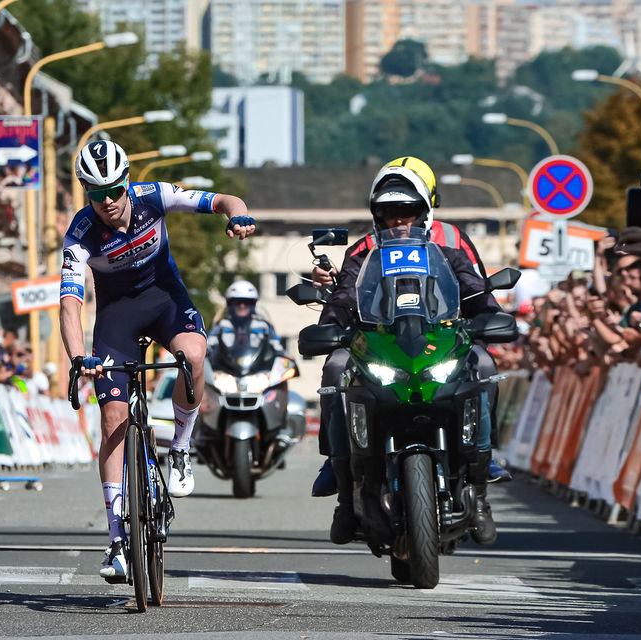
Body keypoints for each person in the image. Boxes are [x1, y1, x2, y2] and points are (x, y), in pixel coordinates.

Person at [59, 140, 255, 583]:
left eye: (113, 189)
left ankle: (182, 448)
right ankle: (114, 541)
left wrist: (238, 214)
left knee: (193, 355)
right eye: (95, 193)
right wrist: (77, 358)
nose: (107, 201)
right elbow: (70, 304)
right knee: (113, 419)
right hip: (116, 318)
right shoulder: (80, 233)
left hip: (165, 299)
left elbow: (223, 199)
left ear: (126, 182)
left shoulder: (154, 196)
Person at [310, 156, 503, 546]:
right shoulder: (363, 248)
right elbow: (346, 296)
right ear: (376, 214)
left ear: (425, 210)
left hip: (440, 346)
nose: (399, 219)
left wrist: (492, 317)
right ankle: (342, 479)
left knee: (484, 362)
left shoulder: (451, 242)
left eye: (408, 210)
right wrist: (328, 325)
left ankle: (480, 480)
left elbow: (477, 291)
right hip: (377, 347)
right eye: (388, 212)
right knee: (334, 366)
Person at [206, 280, 285, 357]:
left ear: (254, 304)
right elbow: (209, 343)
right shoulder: (222, 325)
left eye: (247, 302)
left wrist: (284, 354)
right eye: (237, 302)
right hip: (225, 367)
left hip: (258, 368)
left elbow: (275, 344)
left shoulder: (262, 326)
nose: (242, 306)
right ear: (229, 304)